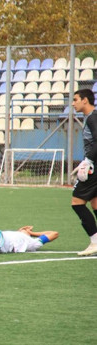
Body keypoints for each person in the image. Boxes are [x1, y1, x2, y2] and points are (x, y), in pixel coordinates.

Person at [70, 88, 97, 256]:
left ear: (85, 100)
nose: (73, 103)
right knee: (95, 204)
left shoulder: (93, 118)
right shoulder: (91, 117)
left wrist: (88, 161)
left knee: (77, 203)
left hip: (94, 168)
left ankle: (95, 241)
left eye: (75, 99)